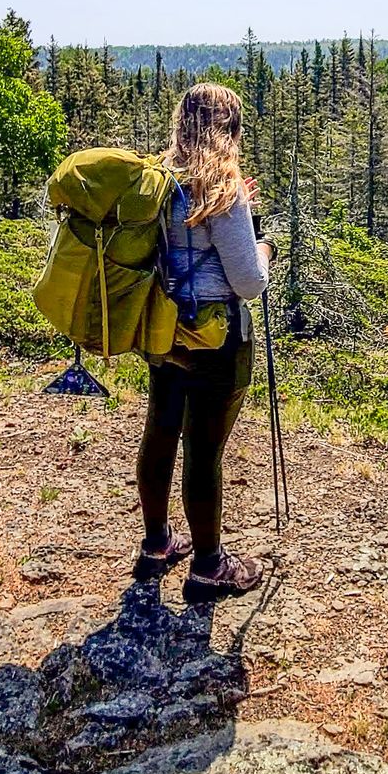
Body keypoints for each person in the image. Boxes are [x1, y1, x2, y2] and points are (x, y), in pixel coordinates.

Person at [136, 82, 273, 599]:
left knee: (161, 430)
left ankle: (156, 543)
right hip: (216, 336)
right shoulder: (222, 188)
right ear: (229, 130)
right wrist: (263, 249)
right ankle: (210, 565)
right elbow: (248, 283)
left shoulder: (156, 180)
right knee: (204, 448)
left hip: (163, 328)